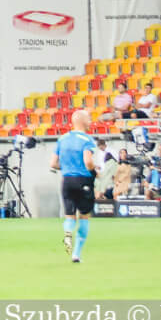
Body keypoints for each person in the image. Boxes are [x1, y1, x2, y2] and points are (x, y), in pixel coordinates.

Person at [50, 108, 98, 262]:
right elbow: (88, 162)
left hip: (67, 181)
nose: (90, 122)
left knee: (69, 215)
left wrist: (67, 167)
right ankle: (76, 254)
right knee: (84, 216)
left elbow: (53, 164)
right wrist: (95, 170)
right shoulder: (87, 140)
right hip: (83, 180)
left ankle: (67, 234)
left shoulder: (62, 139)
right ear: (83, 121)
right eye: (89, 119)